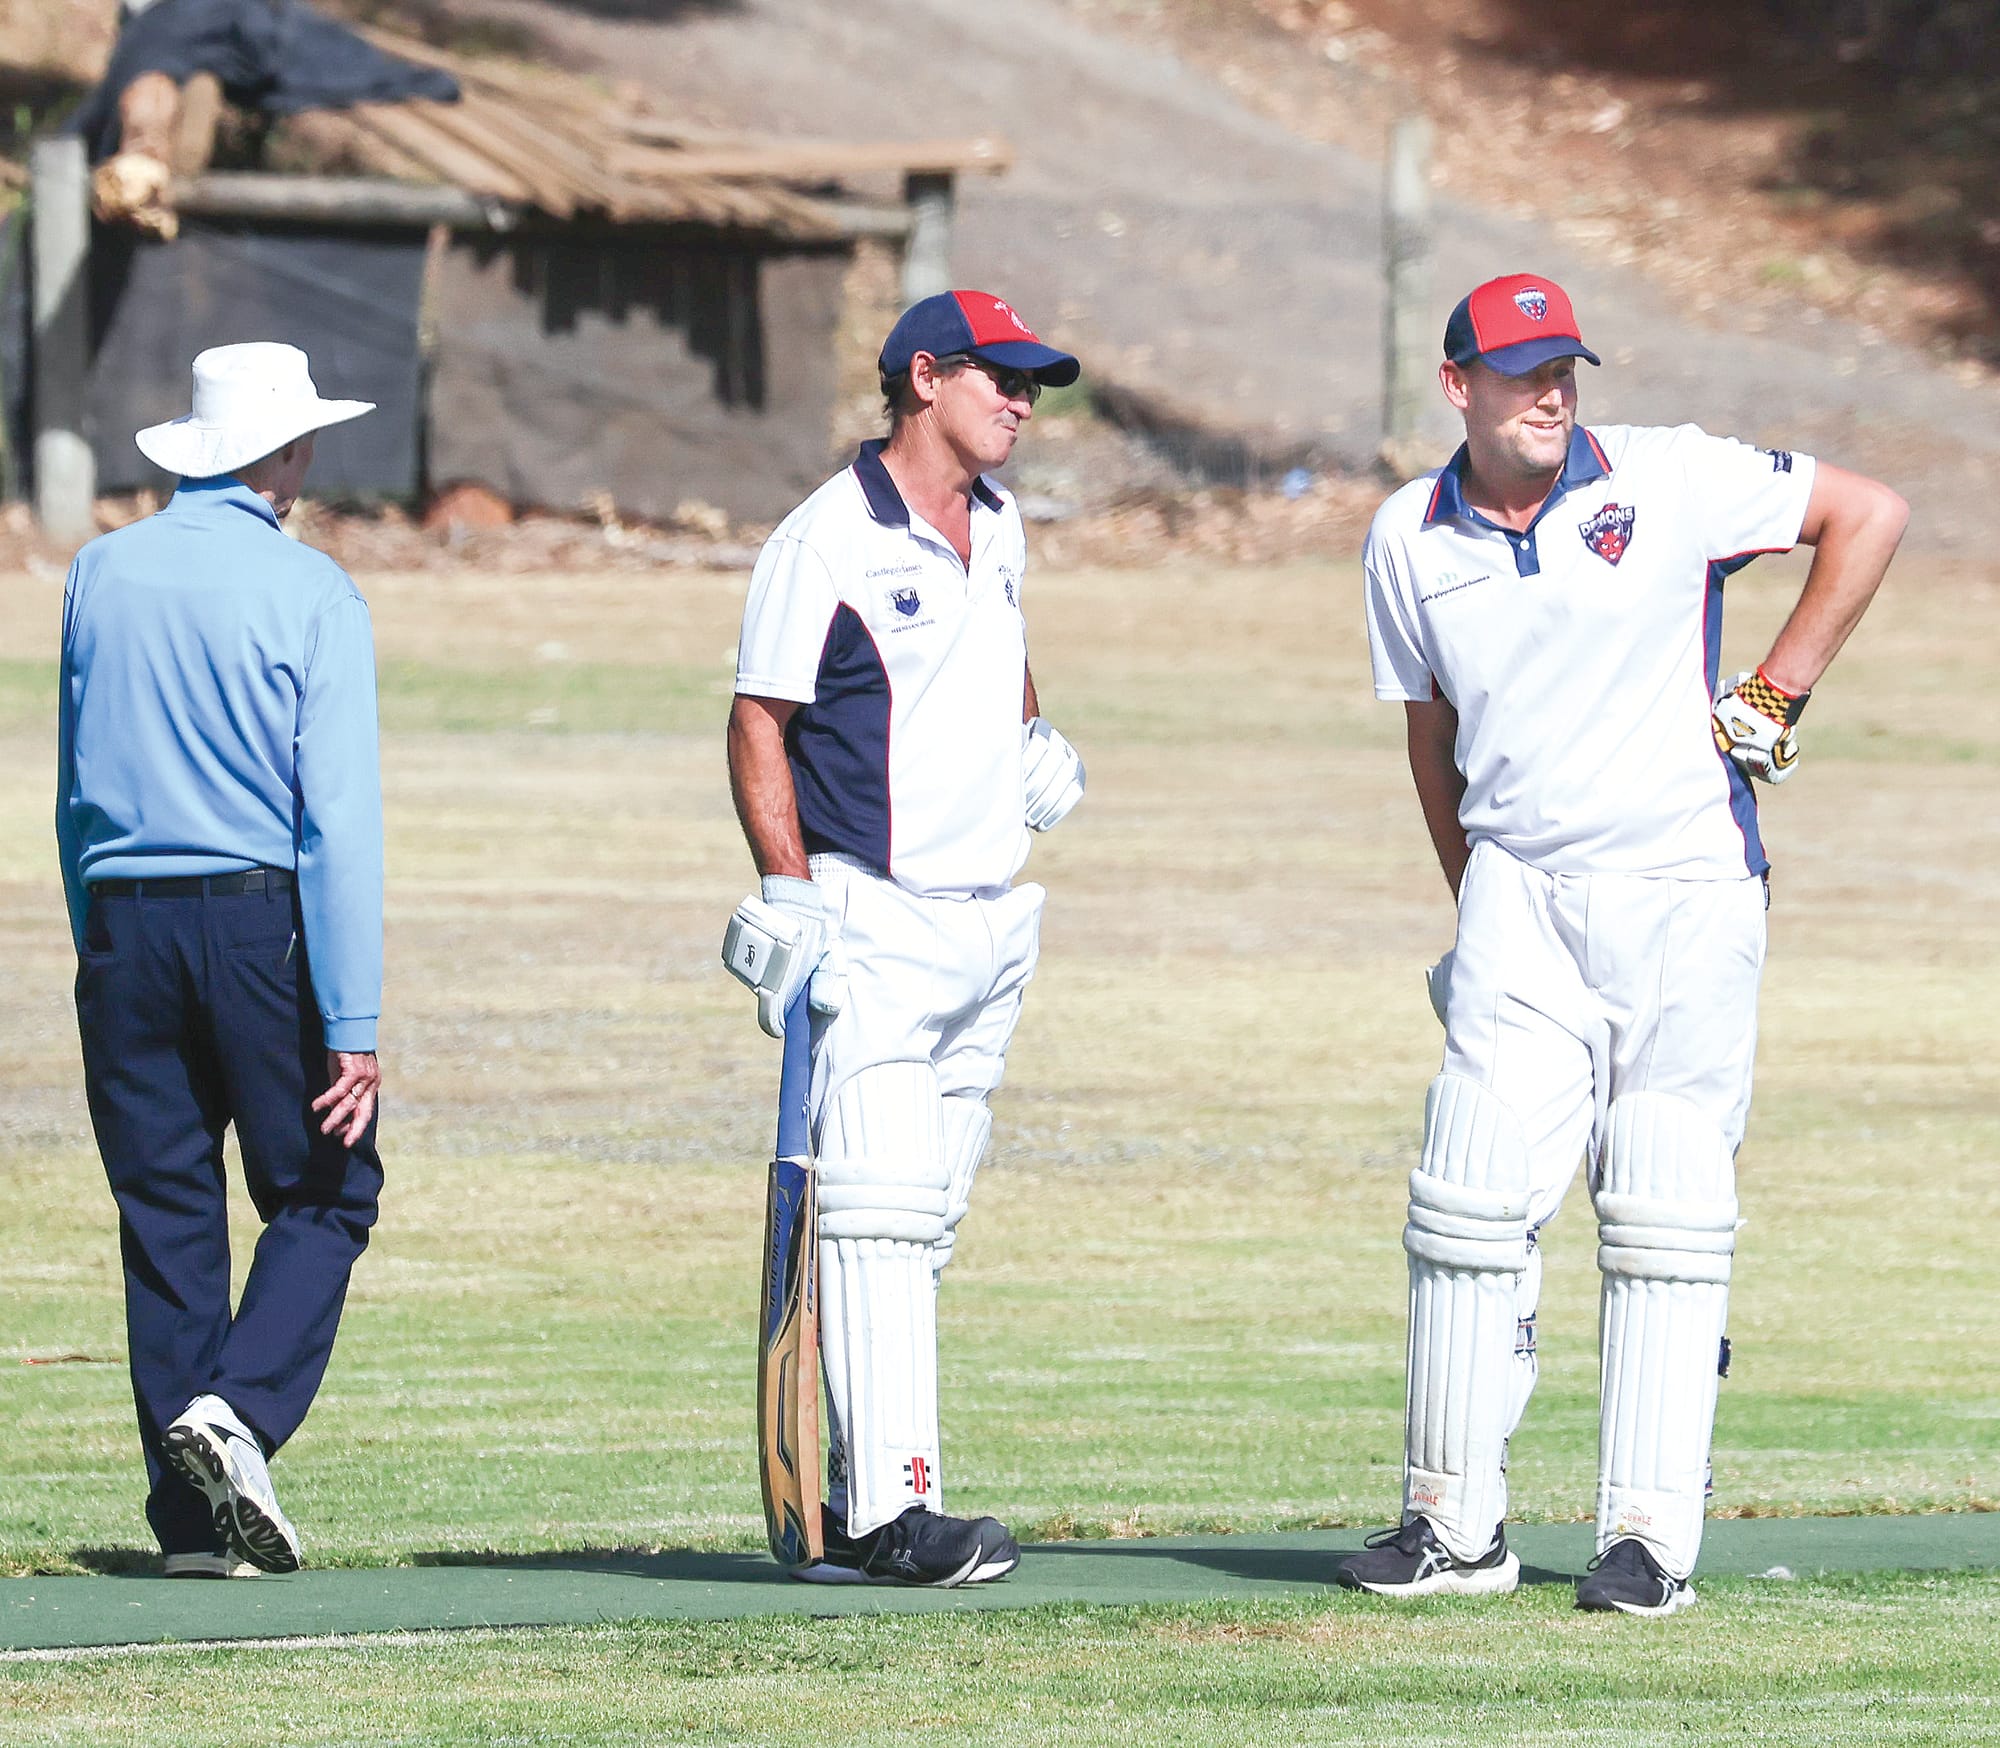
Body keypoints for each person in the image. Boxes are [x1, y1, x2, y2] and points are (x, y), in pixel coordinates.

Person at [1339, 274, 1907, 1615]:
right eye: (1521, 369)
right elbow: (1429, 738)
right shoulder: (1405, 536)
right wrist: (1472, 909)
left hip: (1686, 885)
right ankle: (1450, 1528)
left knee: (1662, 1193)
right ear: (1457, 385)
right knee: (1469, 1191)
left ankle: (1647, 1542)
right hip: (1519, 897)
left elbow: (1866, 515)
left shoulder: (1670, 479)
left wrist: (1775, 690)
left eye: (1566, 368)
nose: (1550, 391)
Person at [723, 290, 1086, 1586]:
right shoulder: (825, 539)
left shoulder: (1000, 525)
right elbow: (759, 715)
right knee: (874, 1215)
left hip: (992, 918)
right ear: (924, 378)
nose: (1023, 401)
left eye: (1033, 383)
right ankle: (892, 1511)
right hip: (871, 906)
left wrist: (1033, 735)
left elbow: (1003, 650)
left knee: (923, 1221)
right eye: (1001, 378)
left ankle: (861, 1468)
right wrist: (785, 886)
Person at [55, 342, 385, 1578]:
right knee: (327, 1186)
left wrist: (92, 928)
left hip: (121, 922)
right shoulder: (314, 589)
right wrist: (351, 1016)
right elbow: (335, 820)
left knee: (167, 1211)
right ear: (284, 452)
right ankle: (237, 1411)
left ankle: (193, 1523)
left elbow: (71, 782)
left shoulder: (98, 569)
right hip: (257, 922)